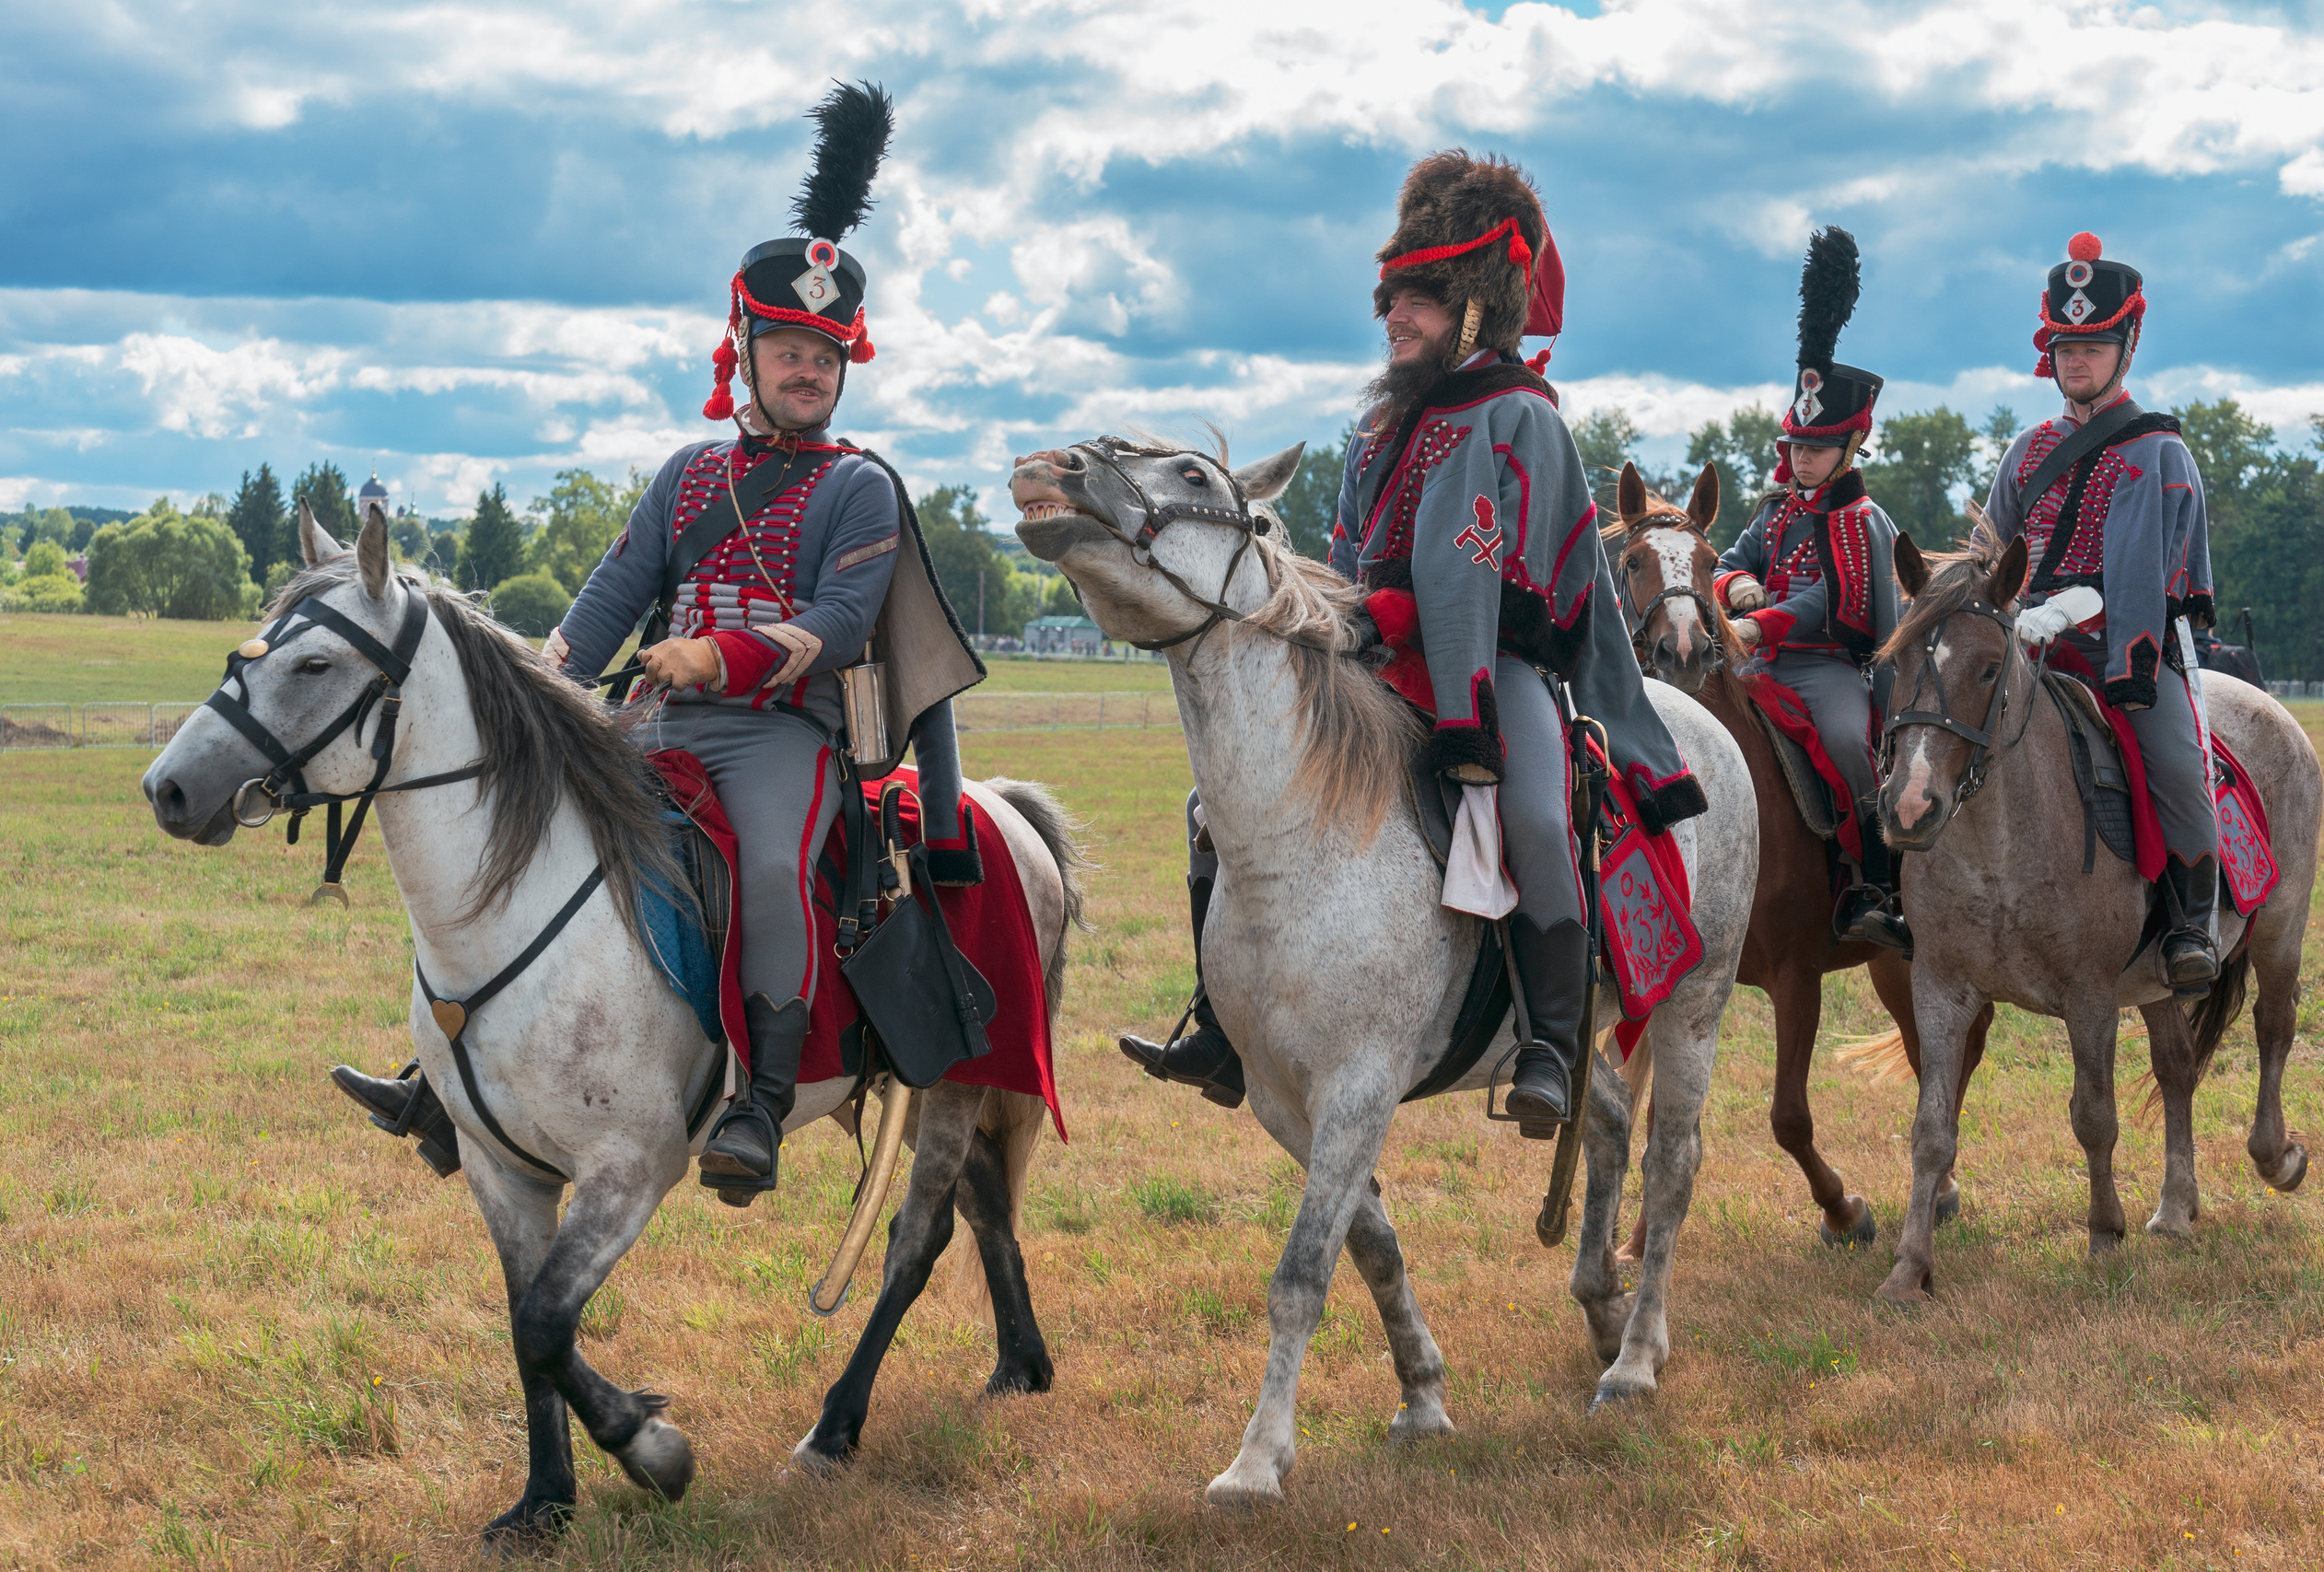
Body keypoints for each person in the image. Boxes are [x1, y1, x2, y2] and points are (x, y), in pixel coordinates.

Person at [332, 83, 988, 1197]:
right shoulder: (688, 477)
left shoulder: (863, 488)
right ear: (744, 348)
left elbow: (838, 625)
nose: (806, 372)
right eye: (787, 349)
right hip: (652, 720)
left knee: (776, 870)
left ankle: (762, 1105)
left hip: (784, 734)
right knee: (525, 843)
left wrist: (715, 655)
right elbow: (610, 594)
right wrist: (547, 683)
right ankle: (445, 1078)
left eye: (825, 358)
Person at [1120, 150, 1707, 1129]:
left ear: (1474, 306)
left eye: (1420, 299)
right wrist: (1343, 619)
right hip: (1376, 669)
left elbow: (1532, 577)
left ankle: (1551, 1046)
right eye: (1391, 297)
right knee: (1213, 805)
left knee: (1533, 814)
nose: (1394, 314)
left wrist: (1426, 624)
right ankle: (1222, 1030)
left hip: (1497, 670)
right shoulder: (1375, 432)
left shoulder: (1526, 418)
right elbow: (1353, 557)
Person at [1983, 231, 2219, 991]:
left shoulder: (2160, 453)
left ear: (2126, 347)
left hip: (2131, 651)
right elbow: (1992, 553)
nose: (2075, 359)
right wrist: (2005, 607)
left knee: (2180, 767)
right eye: (2064, 345)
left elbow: (2158, 571)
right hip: (2025, 641)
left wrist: (2078, 606)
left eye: (2093, 344)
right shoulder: (2023, 452)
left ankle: (2190, 923)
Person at [1712, 227, 1907, 952]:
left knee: (1847, 746)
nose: (1803, 456)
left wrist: (1766, 625)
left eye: (1818, 446)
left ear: (1851, 446)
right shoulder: (1775, 511)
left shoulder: (1863, 519)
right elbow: (1727, 560)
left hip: (1825, 669)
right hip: (1753, 660)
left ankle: (1873, 880)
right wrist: (1738, 586)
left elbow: (1836, 600)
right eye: (1796, 443)